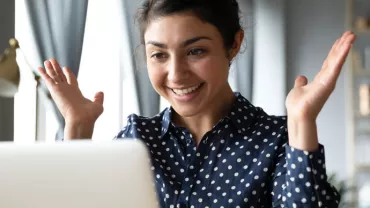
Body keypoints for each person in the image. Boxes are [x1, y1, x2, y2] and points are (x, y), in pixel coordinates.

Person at [37, 0, 356, 207]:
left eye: (195, 51)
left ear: (234, 44)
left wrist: (302, 121)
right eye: (159, 55)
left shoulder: (278, 141)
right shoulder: (135, 140)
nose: (176, 74)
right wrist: (76, 129)